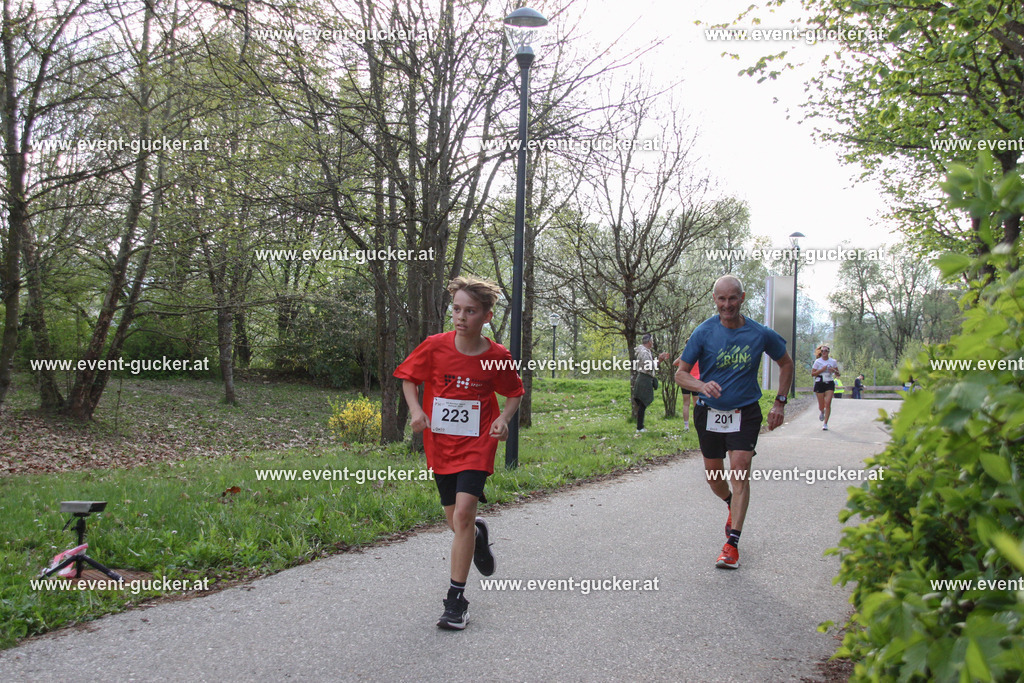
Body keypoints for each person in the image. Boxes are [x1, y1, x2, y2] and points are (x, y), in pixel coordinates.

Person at [394, 276, 524, 630]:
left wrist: (503, 419)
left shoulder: (497, 356)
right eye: (457, 309)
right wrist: (416, 412)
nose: (461, 317)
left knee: (464, 513)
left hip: (478, 442)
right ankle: (477, 536)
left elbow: (514, 392)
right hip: (442, 444)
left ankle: (456, 600)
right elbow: (409, 378)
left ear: (486, 316)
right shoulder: (434, 346)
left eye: (470, 311)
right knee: (456, 522)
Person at [673, 275, 793, 570]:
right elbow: (681, 373)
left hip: (745, 413)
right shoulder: (703, 332)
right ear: (714, 299)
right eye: (721, 299)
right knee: (714, 478)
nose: (727, 305)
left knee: (739, 470)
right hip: (709, 412)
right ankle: (730, 502)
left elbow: (786, 363)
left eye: (733, 298)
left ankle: (732, 545)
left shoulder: (760, 333)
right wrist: (701, 386)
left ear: (742, 298)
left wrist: (780, 402)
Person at [633, 333, 657, 432]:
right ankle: (639, 427)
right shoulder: (644, 352)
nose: (653, 343)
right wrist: (659, 361)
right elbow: (648, 366)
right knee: (643, 403)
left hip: (644, 378)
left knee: (642, 404)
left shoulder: (645, 351)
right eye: (652, 341)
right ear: (649, 341)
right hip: (644, 379)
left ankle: (640, 426)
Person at [811, 345, 839, 430]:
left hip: (829, 382)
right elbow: (813, 374)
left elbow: (838, 374)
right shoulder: (817, 362)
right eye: (822, 351)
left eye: (826, 351)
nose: (824, 352)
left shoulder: (833, 361)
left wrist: (833, 371)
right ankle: (822, 411)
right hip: (820, 382)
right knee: (821, 405)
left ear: (828, 352)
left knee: (828, 403)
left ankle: (825, 423)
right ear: (821, 352)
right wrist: (822, 370)